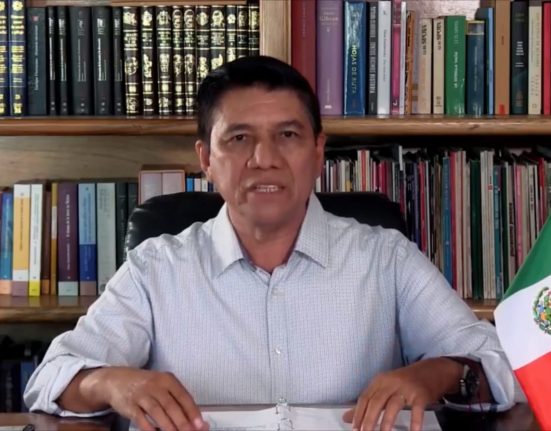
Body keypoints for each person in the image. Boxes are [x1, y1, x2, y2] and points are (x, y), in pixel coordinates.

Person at [25, 56, 519, 431]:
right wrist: (112, 382)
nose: (264, 158)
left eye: (287, 135)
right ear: (206, 159)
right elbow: (51, 378)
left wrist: (433, 376)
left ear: (318, 151)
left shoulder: (385, 259)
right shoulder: (155, 268)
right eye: (239, 138)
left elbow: (502, 367)